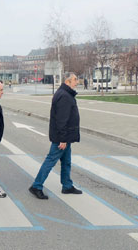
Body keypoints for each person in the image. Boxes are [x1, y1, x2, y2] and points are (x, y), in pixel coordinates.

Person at [29, 72, 83, 200]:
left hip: (66, 137)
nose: (77, 82)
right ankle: (36, 186)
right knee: (50, 161)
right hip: (62, 138)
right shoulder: (64, 96)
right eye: (75, 79)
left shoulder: (65, 93)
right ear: (68, 81)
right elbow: (61, 120)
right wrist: (63, 139)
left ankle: (67, 185)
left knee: (66, 162)